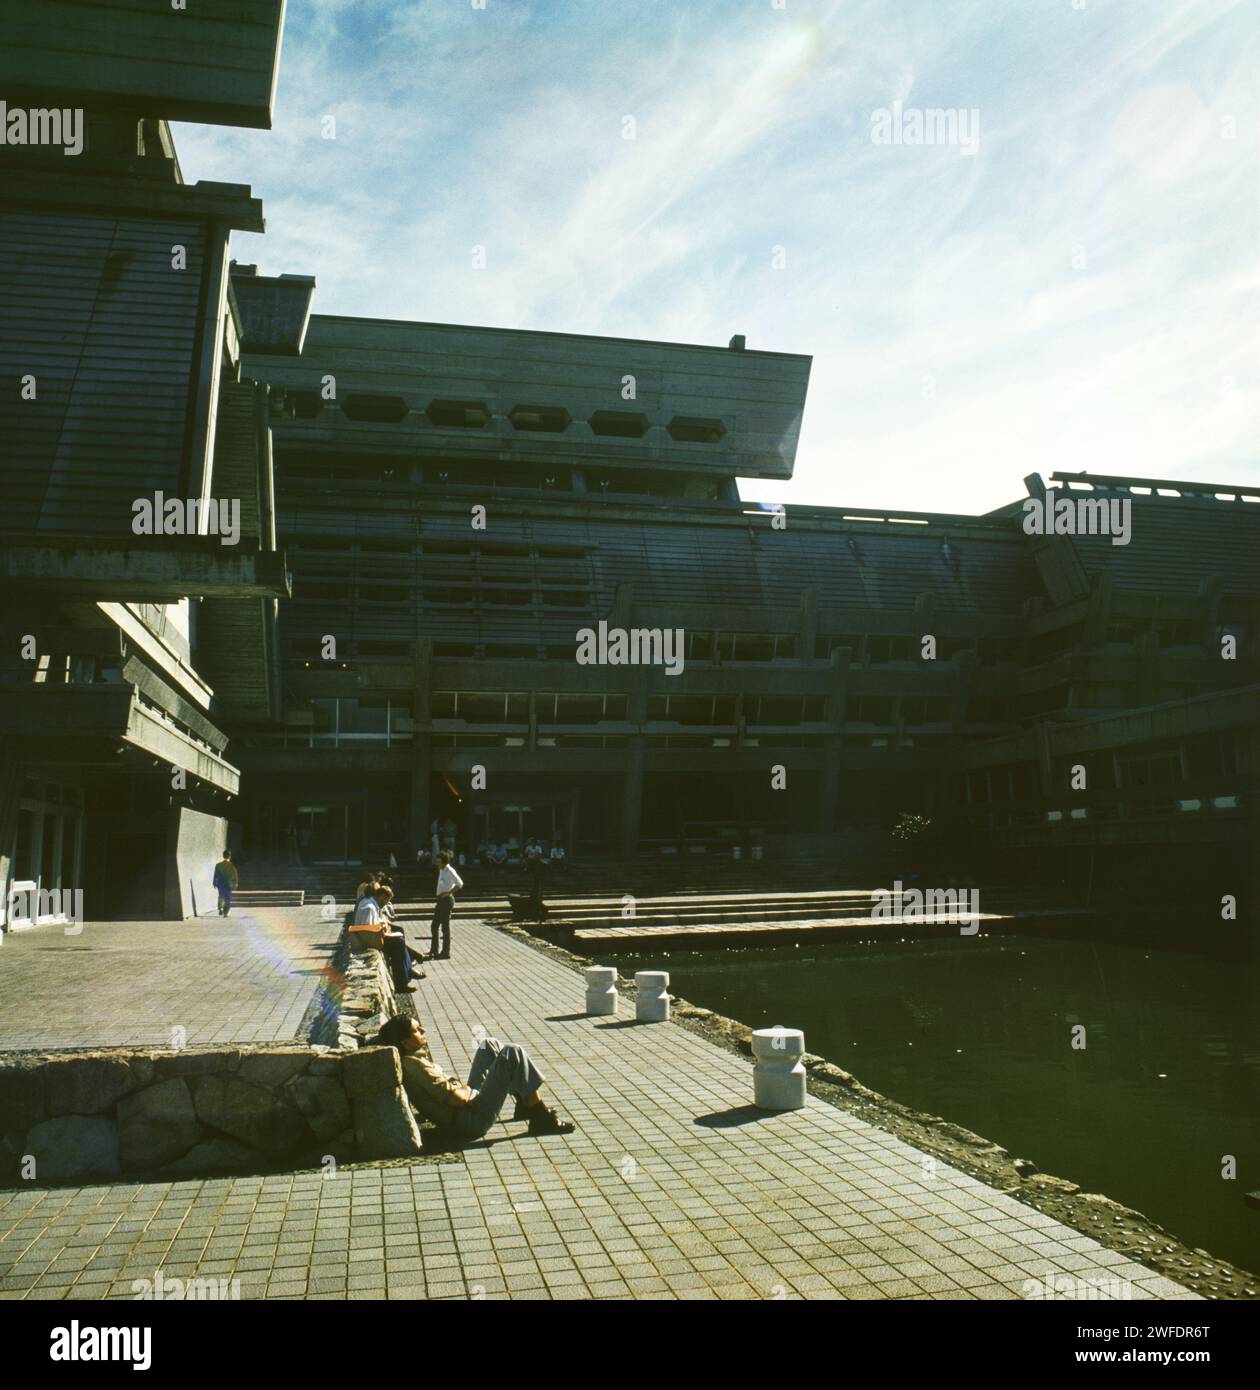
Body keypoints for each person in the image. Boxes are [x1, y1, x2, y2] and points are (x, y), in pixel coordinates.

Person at [373, 1015, 574, 1141]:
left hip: (466, 1109)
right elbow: (457, 1098)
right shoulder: (414, 1065)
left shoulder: (412, 1058)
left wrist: (465, 1089)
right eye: (417, 1030)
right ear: (406, 1042)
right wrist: (469, 1090)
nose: (423, 1030)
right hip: (470, 1121)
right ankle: (539, 1115)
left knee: (488, 1044)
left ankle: (524, 1104)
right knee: (513, 1052)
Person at [427, 850, 462, 960]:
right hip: (440, 900)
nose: (437, 864)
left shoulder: (450, 870)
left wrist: (448, 892)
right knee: (434, 925)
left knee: (445, 927)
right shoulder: (442, 870)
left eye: (439, 862)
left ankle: (446, 952)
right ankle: (434, 949)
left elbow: (459, 883)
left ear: (444, 862)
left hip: (446, 900)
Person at [212, 850, 238, 917]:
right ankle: (225, 913)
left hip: (220, 883)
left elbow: (215, 875)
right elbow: (234, 875)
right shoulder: (231, 865)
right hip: (228, 884)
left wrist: (214, 882)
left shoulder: (218, 865)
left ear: (223, 856)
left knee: (221, 896)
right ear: (230, 856)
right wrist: (235, 883)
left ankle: (220, 908)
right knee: (227, 898)